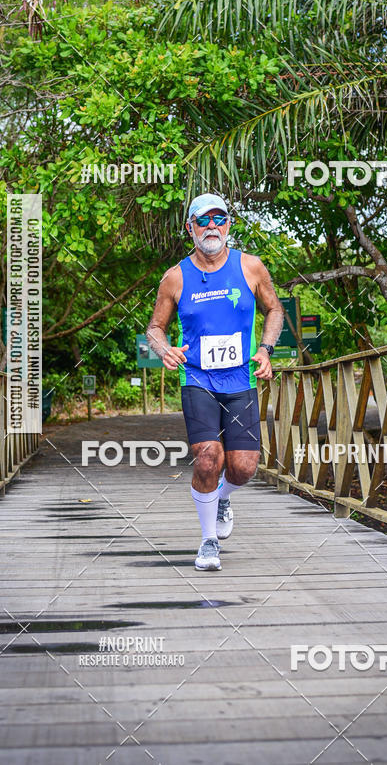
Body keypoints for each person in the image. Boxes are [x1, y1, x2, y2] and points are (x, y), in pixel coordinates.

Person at [146, 193, 284, 570]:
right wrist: (165, 350)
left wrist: (267, 348)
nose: (212, 227)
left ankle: (223, 497)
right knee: (209, 458)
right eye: (202, 221)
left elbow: (274, 308)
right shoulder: (175, 277)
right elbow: (155, 328)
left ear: (229, 225)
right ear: (189, 228)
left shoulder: (251, 267)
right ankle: (208, 542)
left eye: (218, 219)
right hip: (198, 378)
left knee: (244, 466)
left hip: (241, 379)